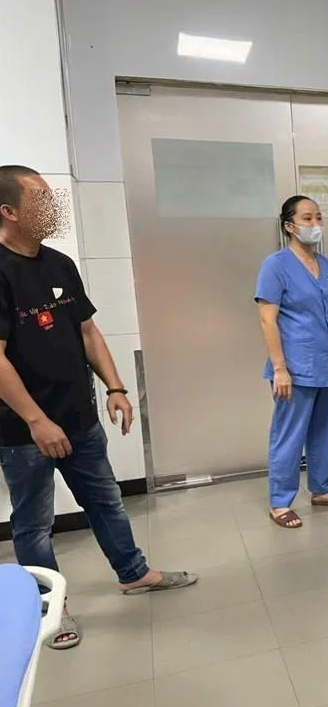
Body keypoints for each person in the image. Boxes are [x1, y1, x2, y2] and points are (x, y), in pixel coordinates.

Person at [0, 165, 197, 649]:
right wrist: (36, 420)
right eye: (40, 199)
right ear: (9, 211)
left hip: (79, 417)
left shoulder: (60, 263)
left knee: (106, 500)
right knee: (34, 524)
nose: (53, 206)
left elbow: (87, 330)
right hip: (25, 430)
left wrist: (115, 387)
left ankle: (134, 573)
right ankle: (50, 608)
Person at [256, 195, 328, 529]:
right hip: (296, 368)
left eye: (318, 217)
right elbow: (267, 319)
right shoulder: (275, 265)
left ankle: (322, 489)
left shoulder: (327, 266)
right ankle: (280, 502)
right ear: (289, 226)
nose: (315, 224)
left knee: (325, 431)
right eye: (307, 218)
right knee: (289, 435)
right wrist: (279, 368)